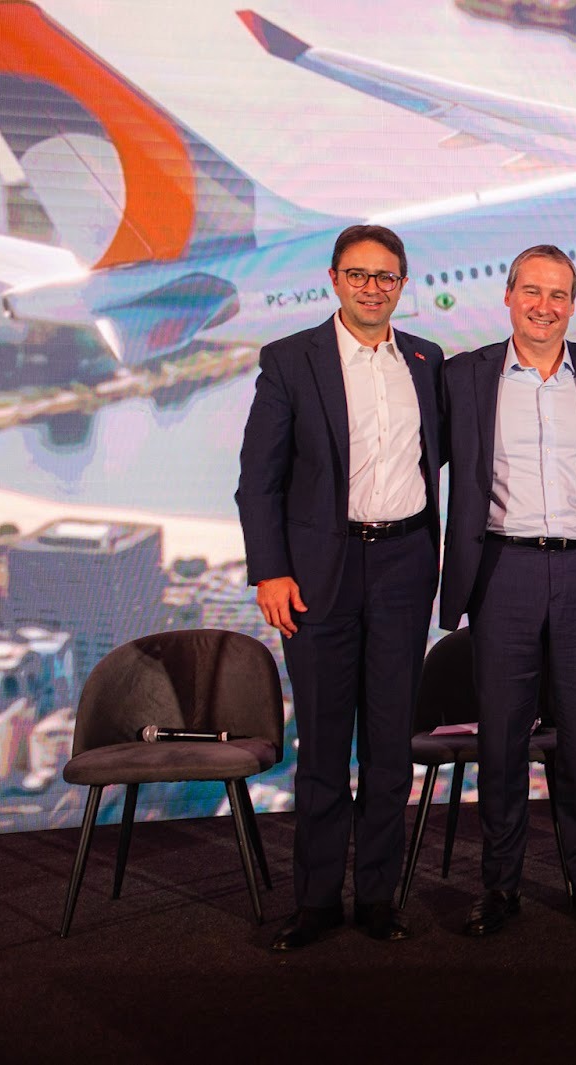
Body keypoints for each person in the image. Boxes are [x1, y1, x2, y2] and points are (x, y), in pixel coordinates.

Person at [236, 224, 443, 950]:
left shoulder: (426, 360)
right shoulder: (291, 359)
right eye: (358, 275)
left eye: (385, 277)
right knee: (324, 746)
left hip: (403, 567)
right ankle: (318, 902)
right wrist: (269, 570)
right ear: (333, 279)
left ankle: (379, 897)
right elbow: (258, 481)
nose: (372, 288)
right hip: (317, 576)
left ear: (401, 284)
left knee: (389, 745)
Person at [439, 245, 576, 934]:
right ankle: (500, 885)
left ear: (573, 304)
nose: (544, 306)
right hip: (503, 571)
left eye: (558, 294)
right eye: (532, 291)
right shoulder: (465, 375)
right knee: (501, 741)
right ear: (509, 295)